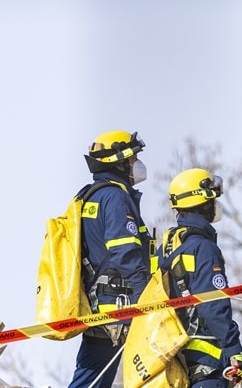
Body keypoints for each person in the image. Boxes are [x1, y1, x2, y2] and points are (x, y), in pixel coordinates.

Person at [68, 130, 152, 388]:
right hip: (118, 307)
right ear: (119, 161)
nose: (137, 164)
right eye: (133, 158)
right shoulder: (115, 197)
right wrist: (147, 297)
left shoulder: (91, 195)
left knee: (91, 380)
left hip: (102, 305)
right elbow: (126, 252)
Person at [158, 168, 242, 387]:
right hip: (206, 360)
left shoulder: (166, 249)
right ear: (204, 203)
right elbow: (213, 304)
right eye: (213, 198)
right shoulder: (204, 248)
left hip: (172, 355)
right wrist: (233, 349)